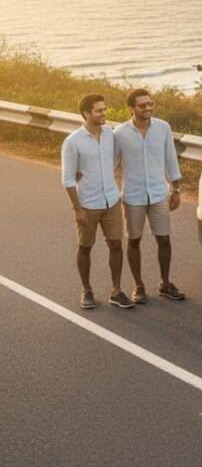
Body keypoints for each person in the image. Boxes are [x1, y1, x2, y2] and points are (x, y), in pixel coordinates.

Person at [61, 94, 134, 310]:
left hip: (111, 199)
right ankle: (87, 290)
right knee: (85, 247)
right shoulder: (73, 141)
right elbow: (67, 179)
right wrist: (77, 209)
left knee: (116, 245)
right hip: (88, 204)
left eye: (104, 109)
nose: (104, 113)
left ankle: (116, 291)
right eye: (99, 110)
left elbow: (114, 161)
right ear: (86, 113)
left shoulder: (111, 135)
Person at [114, 88, 184, 303]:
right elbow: (111, 164)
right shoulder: (119, 133)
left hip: (158, 193)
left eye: (150, 104)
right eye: (143, 105)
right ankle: (139, 285)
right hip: (133, 195)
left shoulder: (163, 128)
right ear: (131, 109)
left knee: (164, 239)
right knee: (134, 240)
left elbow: (171, 159)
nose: (148, 108)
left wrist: (176, 189)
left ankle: (165, 283)